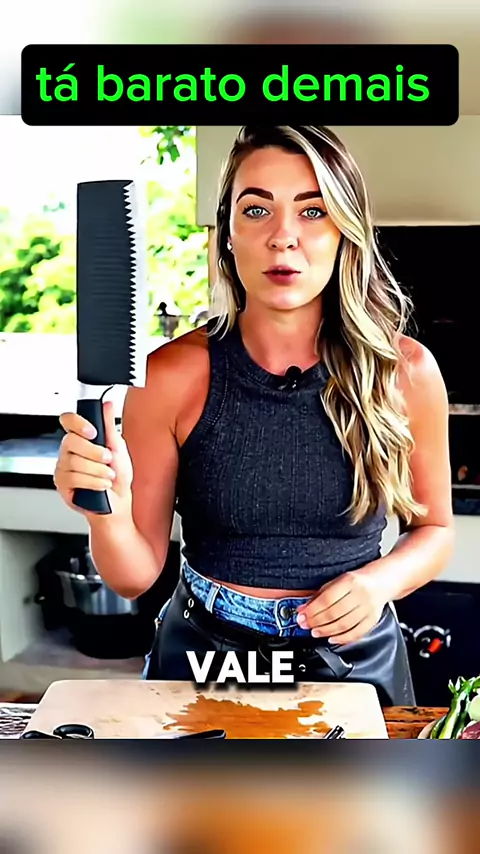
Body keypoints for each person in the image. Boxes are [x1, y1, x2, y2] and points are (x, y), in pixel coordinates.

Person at [54, 125, 453, 705]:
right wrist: (106, 515)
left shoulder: (406, 371)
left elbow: (435, 530)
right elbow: (134, 576)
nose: (283, 237)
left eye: (313, 211)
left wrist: (378, 583)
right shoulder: (170, 376)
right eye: (257, 209)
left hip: (351, 658)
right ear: (227, 234)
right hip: (204, 655)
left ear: (346, 232)